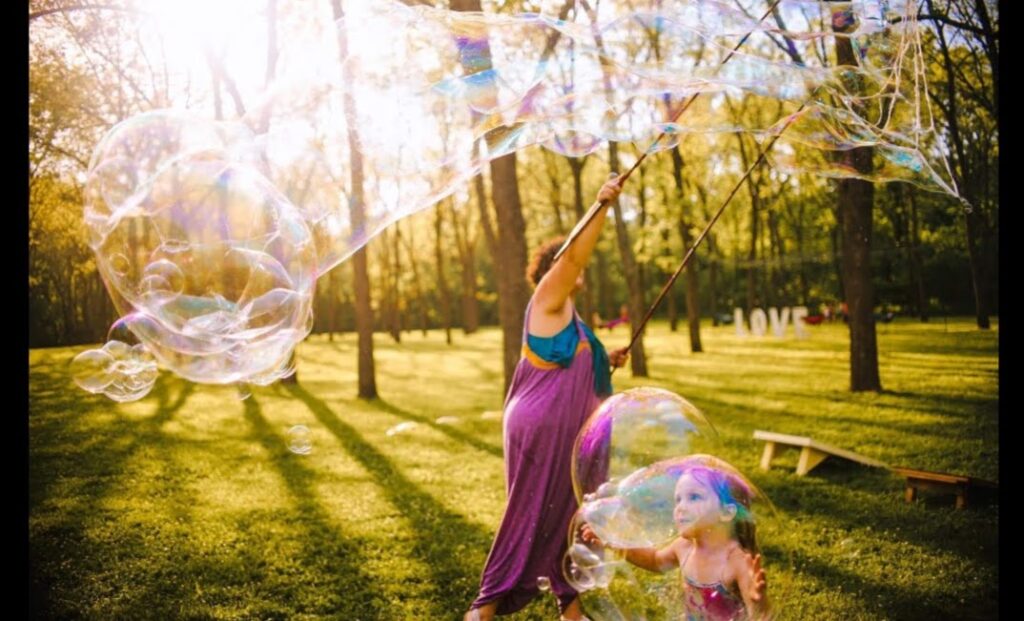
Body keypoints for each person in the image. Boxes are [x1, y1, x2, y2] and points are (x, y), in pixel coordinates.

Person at [464, 176, 631, 621]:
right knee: (532, 512)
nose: (581, 270)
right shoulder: (546, 300)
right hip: (541, 427)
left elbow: (571, 367)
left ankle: (570, 609)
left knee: (568, 514)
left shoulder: (571, 320)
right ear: (555, 268)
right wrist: (600, 205)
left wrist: (606, 357)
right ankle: (484, 607)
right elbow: (576, 252)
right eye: (570, 264)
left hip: (562, 426)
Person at [582, 458, 770, 621]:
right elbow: (654, 560)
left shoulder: (737, 561)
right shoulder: (685, 546)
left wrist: (759, 601)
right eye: (678, 499)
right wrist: (614, 543)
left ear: (726, 512)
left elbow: (761, 616)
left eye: (694, 497)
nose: (680, 507)